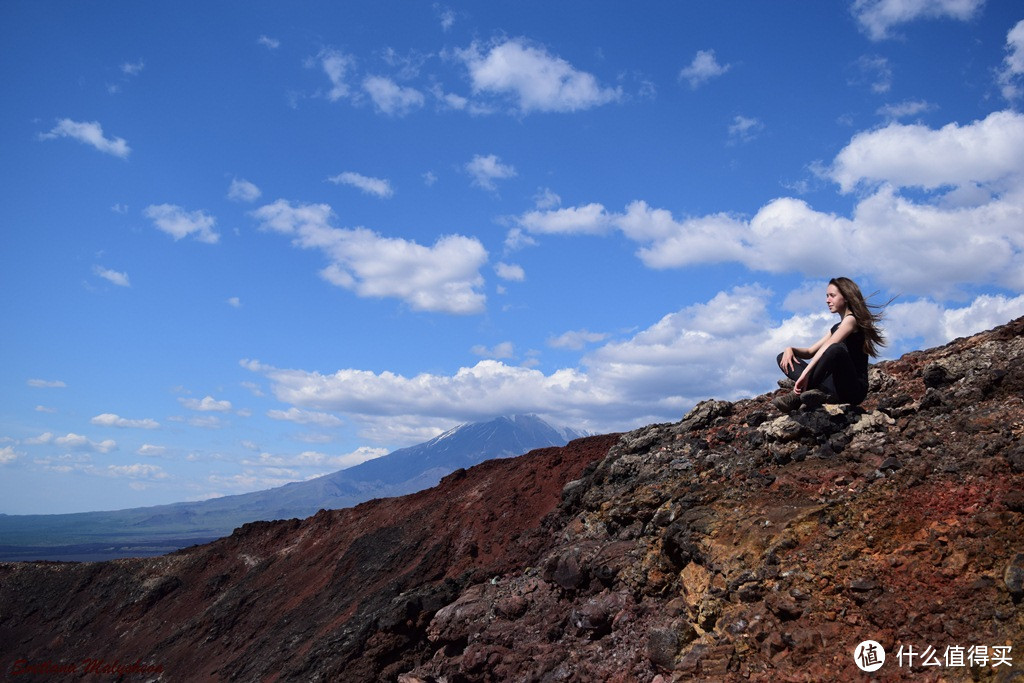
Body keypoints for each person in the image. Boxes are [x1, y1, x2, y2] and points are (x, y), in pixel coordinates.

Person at [773, 277, 887, 413]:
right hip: (833, 387)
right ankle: (817, 392)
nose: (827, 300)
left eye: (832, 296)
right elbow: (810, 351)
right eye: (827, 296)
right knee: (783, 357)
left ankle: (797, 396)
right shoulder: (836, 327)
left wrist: (805, 374)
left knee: (835, 349)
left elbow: (830, 345)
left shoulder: (852, 320)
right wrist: (790, 349)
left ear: (846, 297)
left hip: (853, 390)